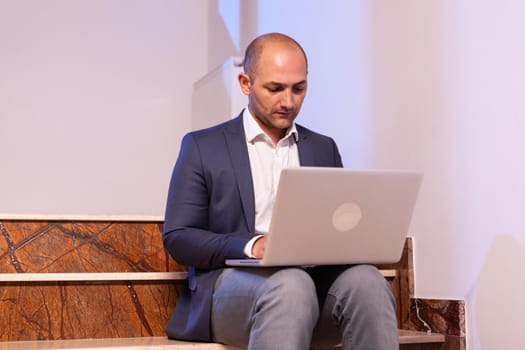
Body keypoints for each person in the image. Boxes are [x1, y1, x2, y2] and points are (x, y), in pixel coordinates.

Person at [163, 32, 398, 350]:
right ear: (246, 83)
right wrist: (253, 245)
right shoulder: (203, 146)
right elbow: (178, 237)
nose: (288, 102)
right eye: (275, 88)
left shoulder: (323, 148)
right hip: (230, 291)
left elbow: (337, 229)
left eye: (298, 89)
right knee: (291, 285)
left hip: (311, 287)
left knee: (368, 282)